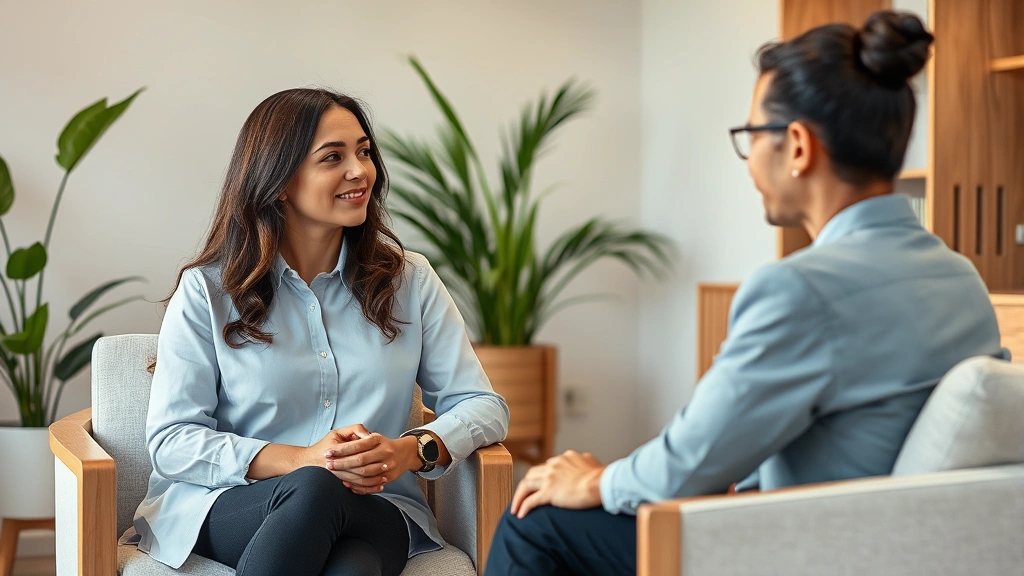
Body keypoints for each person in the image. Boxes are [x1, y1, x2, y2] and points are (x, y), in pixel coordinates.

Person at [485, 10, 1004, 576]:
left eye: (752, 135)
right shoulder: (963, 279)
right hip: (893, 546)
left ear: (798, 147)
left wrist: (591, 479)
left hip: (796, 549)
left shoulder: (801, 289)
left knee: (534, 522)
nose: (750, 158)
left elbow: (688, 467)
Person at [126, 88, 509, 576]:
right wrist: (304, 459)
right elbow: (172, 441)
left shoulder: (409, 282)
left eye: (364, 152)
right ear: (280, 180)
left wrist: (409, 450)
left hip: (377, 509)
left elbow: (484, 404)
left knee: (347, 548)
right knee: (322, 500)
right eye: (334, 157)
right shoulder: (208, 292)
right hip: (233, 505)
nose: (360, 171)